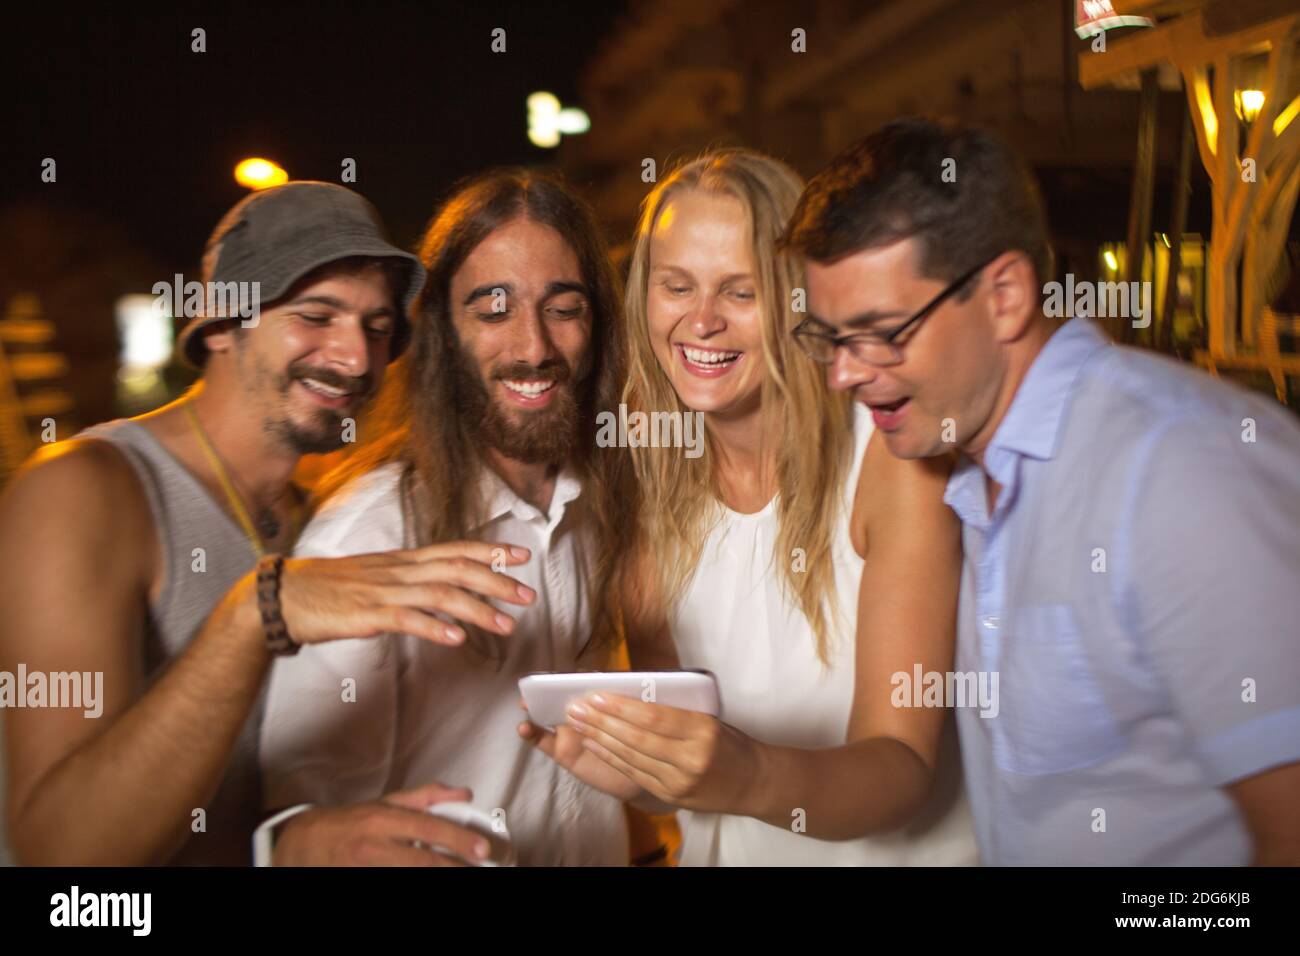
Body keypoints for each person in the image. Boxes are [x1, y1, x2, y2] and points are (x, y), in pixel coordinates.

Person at [786, 117, 1300, 865]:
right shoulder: (964, 469)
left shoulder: (1179, 469)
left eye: (881, 332)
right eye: (829, 338)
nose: (844, 374)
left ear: (1004, 295)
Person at [0, 181, 529, 866]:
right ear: (220, 324)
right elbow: (62, 852)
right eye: (316, 315)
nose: (356, 358)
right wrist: (258, 611)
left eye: (376, 327)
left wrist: (299, 839)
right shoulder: (83, 489)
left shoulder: (325, 516)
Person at [524, 149, 976, 865]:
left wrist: (748, 776)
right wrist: (641, 772)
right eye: (677, 287)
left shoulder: (893, 460)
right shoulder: (643, 483)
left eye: (740, 292)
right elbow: (688, 765)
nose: (700, 322)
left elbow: (902, 768)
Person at [259, 169, 635, 866]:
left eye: (563, 307)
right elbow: (312, 825)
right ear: (443, 332)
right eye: (493, 309)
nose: (533, 347)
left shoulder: (611, 504)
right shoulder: (368, 536)